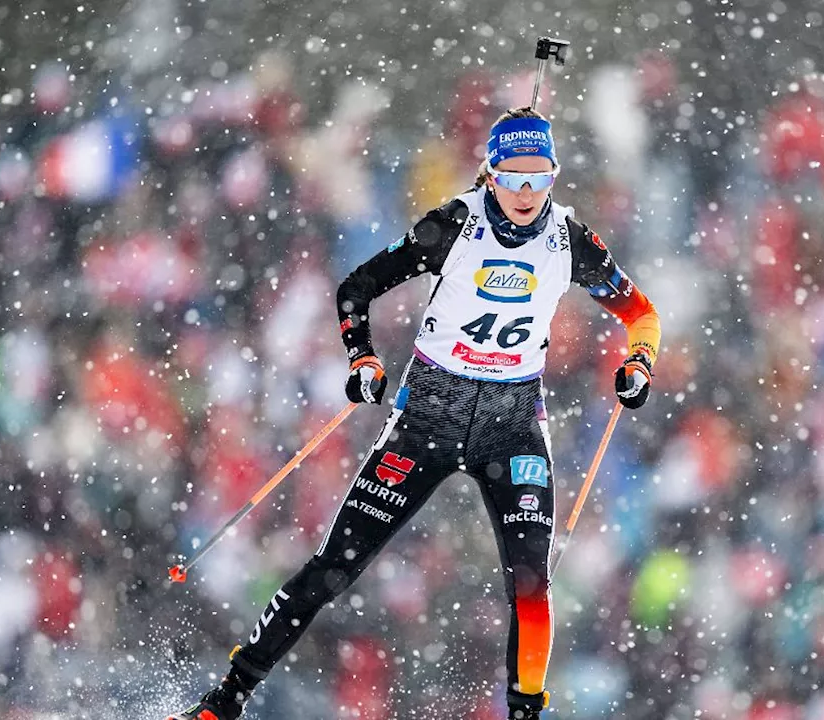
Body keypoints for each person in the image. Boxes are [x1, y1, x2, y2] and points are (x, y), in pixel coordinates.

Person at [167, 106, 662, 720]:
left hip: (511, 429)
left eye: (541, 177)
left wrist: (638, 365)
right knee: (334, 568)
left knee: (533, 590)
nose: (527, 193)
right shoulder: (454, 224)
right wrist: (362, 361)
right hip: (427, 417)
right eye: (514, 177)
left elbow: (643, 315)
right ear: (492, 173)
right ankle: (225, 700)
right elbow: (357, 287)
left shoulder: (571, 240)